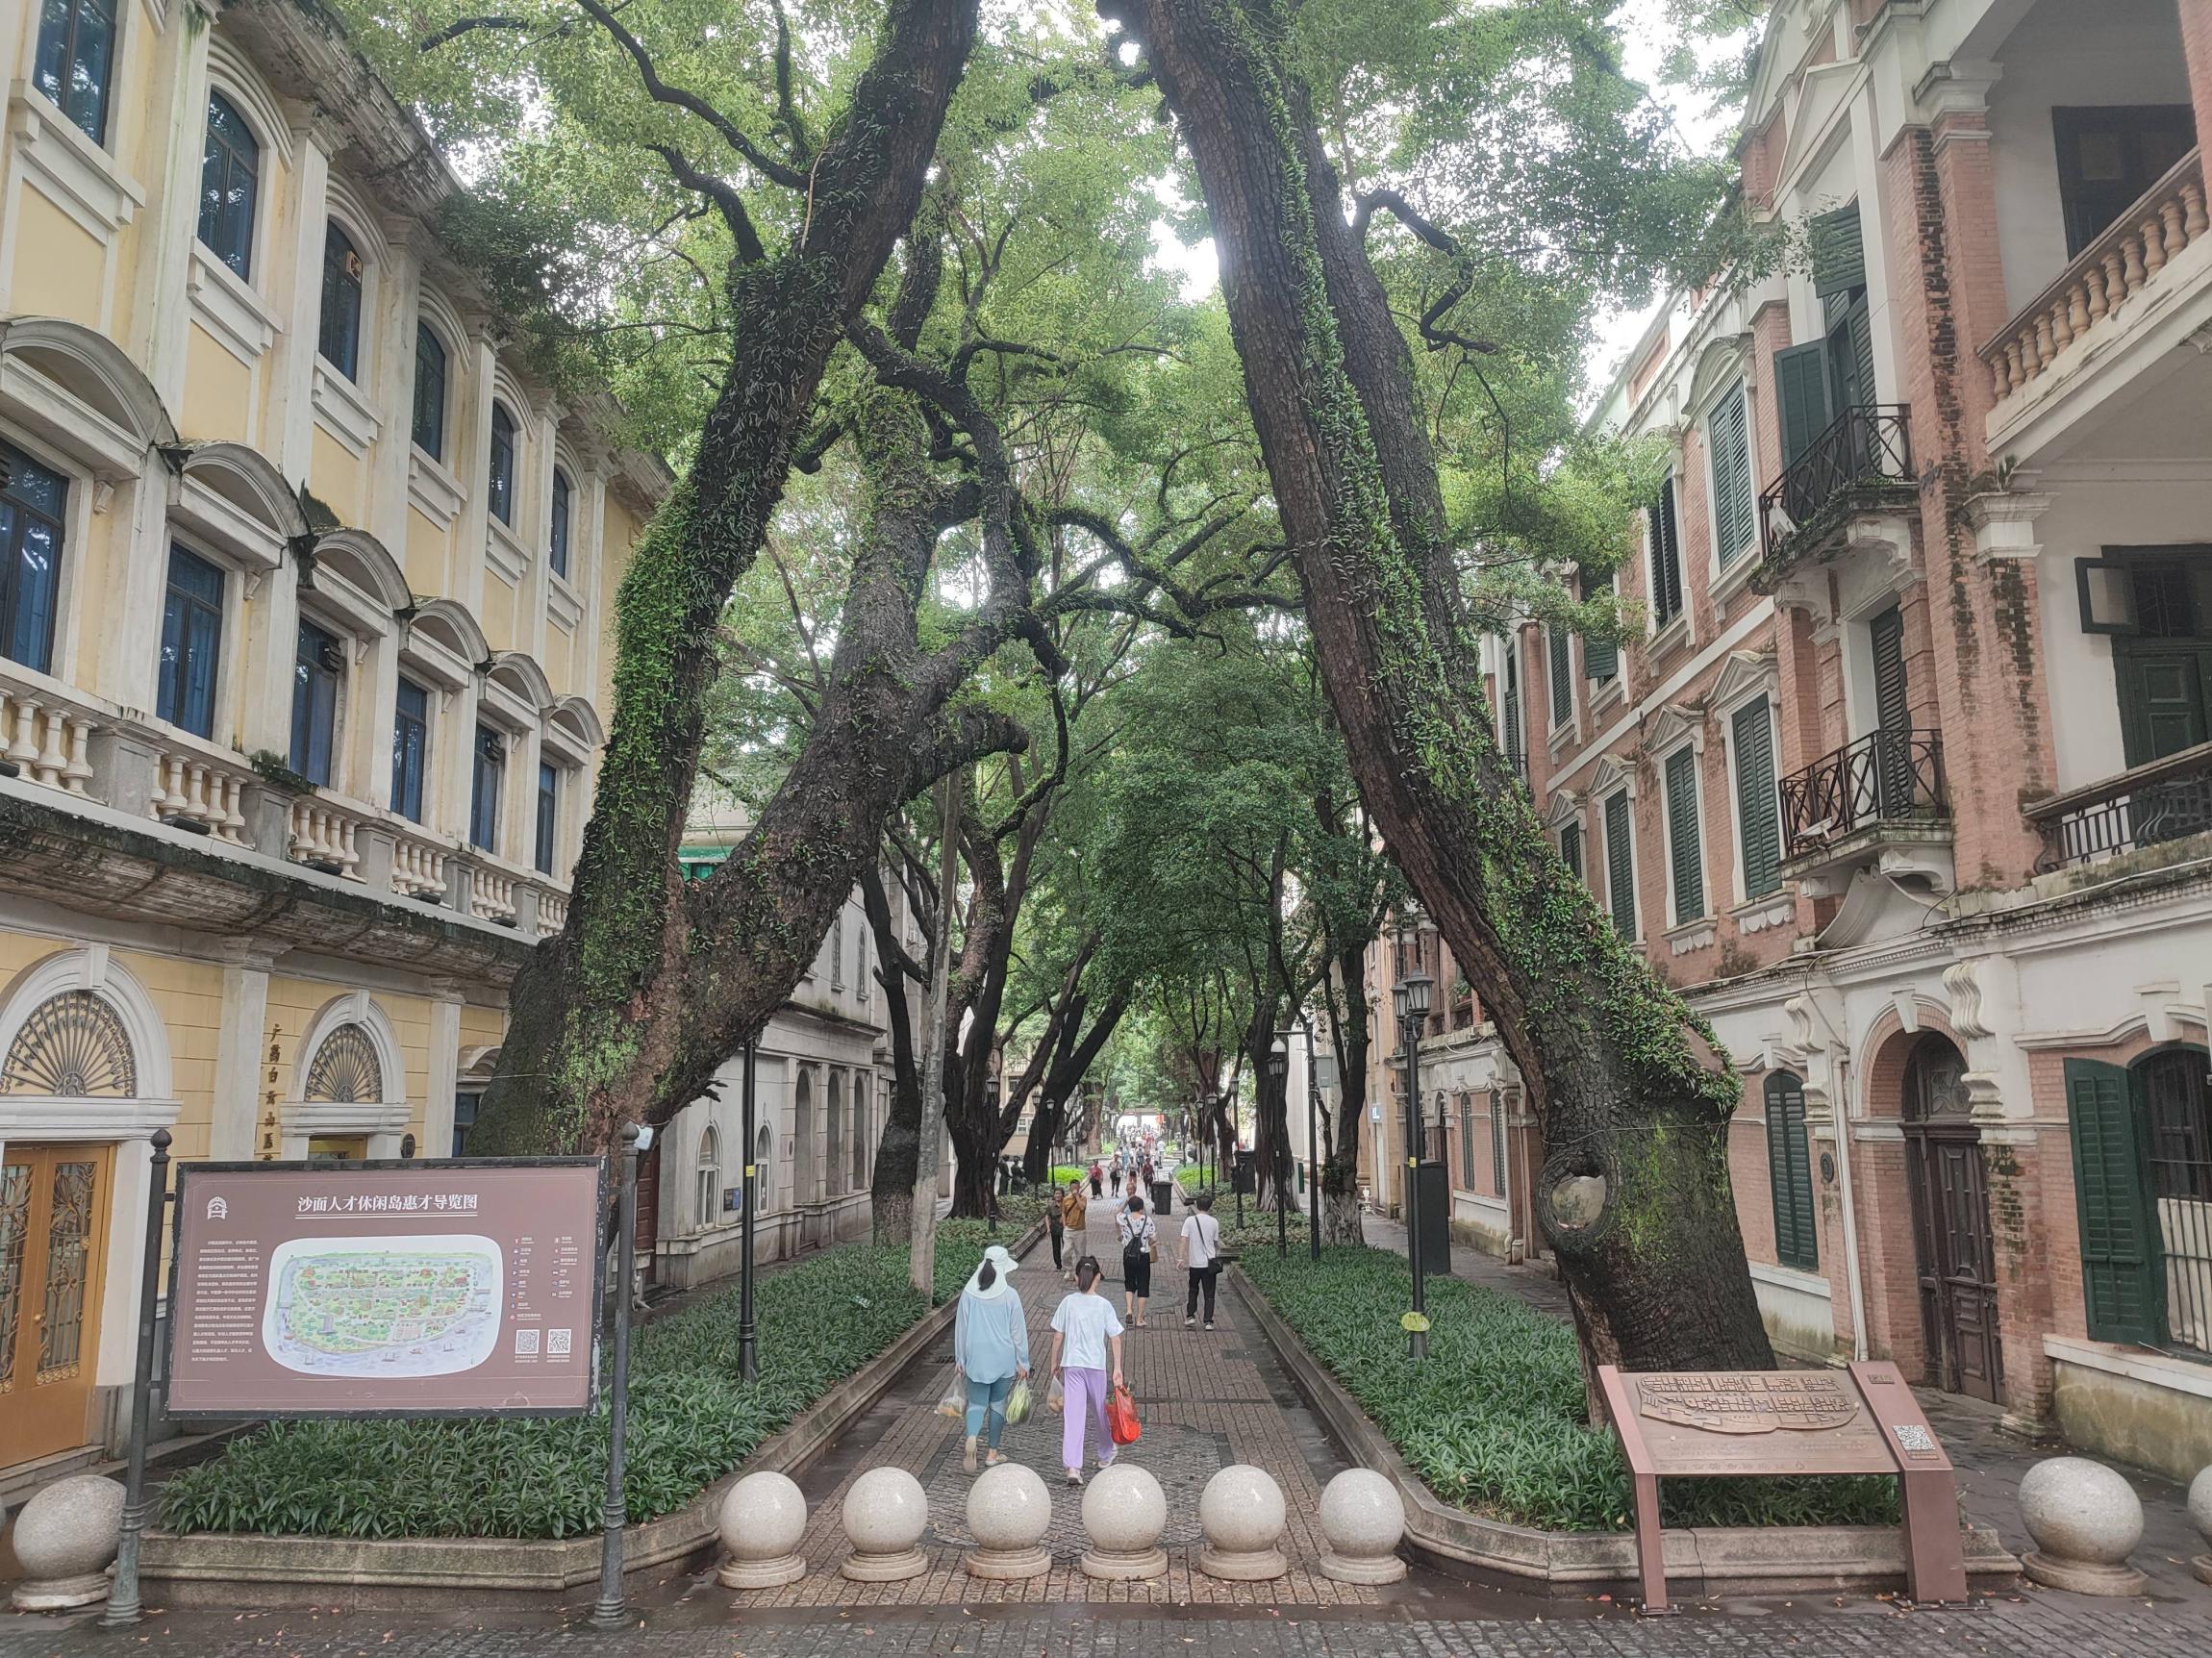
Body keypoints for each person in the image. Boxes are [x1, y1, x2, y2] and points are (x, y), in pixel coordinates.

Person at [952, 1244, 1029, 1473]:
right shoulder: (1010, 1295)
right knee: (998, 1404)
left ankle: (972, 1437)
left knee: (976, 1404)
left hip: (976, 1356)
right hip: (1003, 1357)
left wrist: (960, 1359)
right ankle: (992, 1453)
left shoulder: (968, 1294)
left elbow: (961, 1329)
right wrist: (1023, 1361)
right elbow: (1018, 1332)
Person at [1047, 1256, 1125, 1485]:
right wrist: (1117, 1368)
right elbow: (1115, 1338)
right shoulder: (1104, 1305)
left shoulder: (1068, 1302)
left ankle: (1073, 1467)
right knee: (1100, 1411)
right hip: (1095, 1365)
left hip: (1072, 1364)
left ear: (1076, 1277)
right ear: (1098, 1277)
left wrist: (1054, 1362)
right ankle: (1107, 1450)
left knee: (1073, 1415)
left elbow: (1058, 1336)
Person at [1180, 1191, 1221, 1329]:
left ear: (1197, 1205)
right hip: (1209, 1263)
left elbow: (1183, 1240)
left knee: (1193, 1290)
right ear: (1210, 1206)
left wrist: (1181, 1258)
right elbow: (1215, 1242)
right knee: (1209, 1293)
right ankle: (1208, 1321)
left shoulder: (1190, 1221)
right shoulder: (1214, 1222)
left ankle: (1190, 1316)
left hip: (1195, 1263)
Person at [1116, 1193, 1157, 1326]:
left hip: (1128, 1255)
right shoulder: (1148, 1220)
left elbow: (1117, 1213)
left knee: (1129, 1283)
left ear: (1130, 1206)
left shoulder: (1124, 1218)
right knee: (1143, 1285)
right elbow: (1153, 1239)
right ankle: (1139, 1319)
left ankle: (1129, 1309)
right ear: (1141, 1207)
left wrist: (1126, 1202)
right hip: (1143, 1256)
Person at [1059, 1178, 1089, 1282]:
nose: (1075, 1189)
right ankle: (1068, 1269)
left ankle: (1078, 1271)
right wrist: (1064, 1225)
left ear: (1079, 1188)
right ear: (1070, 1188)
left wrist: (1076, 1196)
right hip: (1069, 1229)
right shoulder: (1066, 1199)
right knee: (1065, 1252)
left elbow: (1082, 1208)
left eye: (1076, 1187)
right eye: (1073, 1188)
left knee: (1080, 1253)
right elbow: (1063, 1212)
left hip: (1080, 1230)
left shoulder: (1083, 1198)